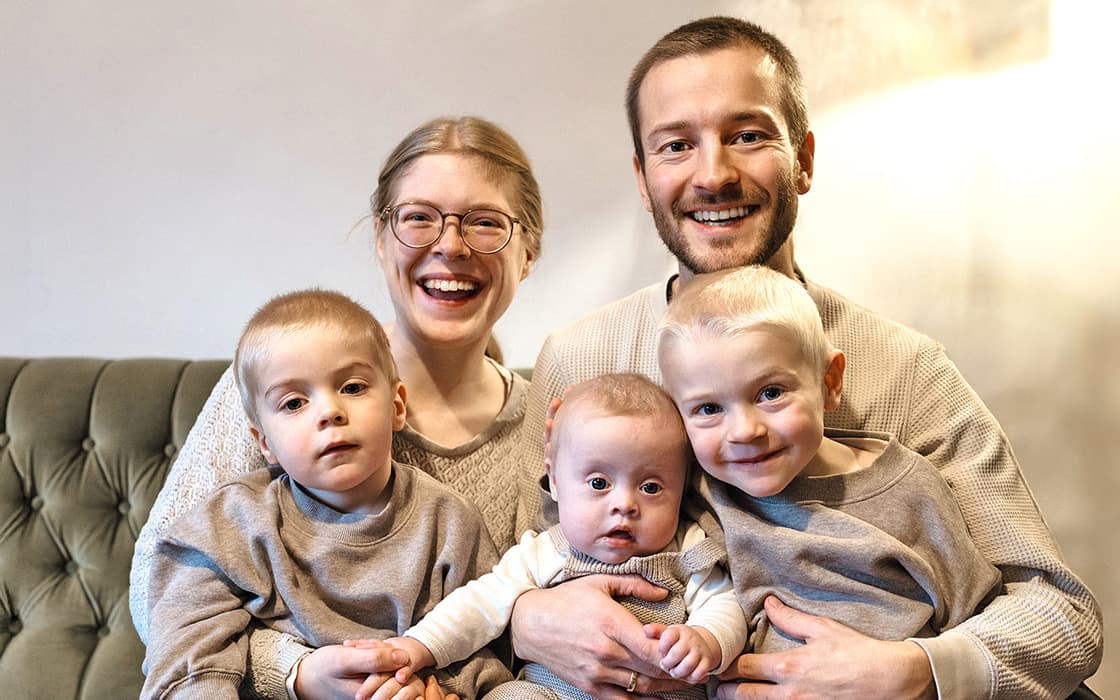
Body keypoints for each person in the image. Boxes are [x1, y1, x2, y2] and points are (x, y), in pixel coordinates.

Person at [508, 16, 1103, 700]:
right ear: (643, 181)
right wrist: (526, 620)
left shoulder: (906, 370)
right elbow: (496, 568)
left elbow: (1060, 614)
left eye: (749, 135)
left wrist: (910, 671)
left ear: (804, 159)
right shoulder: (582, 357)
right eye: (677, 145)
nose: (715, 173)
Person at [130, 116, 543, 700]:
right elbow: (158, 590)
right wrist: (299, 673)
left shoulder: (547, 432)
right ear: (381, 239)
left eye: (484, 223)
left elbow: (515, 636)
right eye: (419, 218)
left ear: (529, 251)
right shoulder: (278, 378)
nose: (450, 246)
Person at [141, 289, 510, 700]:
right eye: (294, 402)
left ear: (396, 405)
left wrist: (434, 688)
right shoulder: (228, 526)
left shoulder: (450, 521)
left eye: (352, 387)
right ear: (265, 443)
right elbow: (187, 666)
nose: (329, 412)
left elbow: (489, 646)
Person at [658, 264, 1003, 654]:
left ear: (829, 383)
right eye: (707, 409)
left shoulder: (909, 489)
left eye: (770, 393)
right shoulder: (698, 493)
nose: (744, 431)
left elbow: (976, 619)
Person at [353, 373, 747, 700]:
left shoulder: (687, 548)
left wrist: (706, 640)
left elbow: (725, 604)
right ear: (555, 481)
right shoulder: (542, 553)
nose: (625, 504)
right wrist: (417, 647)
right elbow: (477, 606)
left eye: (651, 487)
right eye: (598, 482)